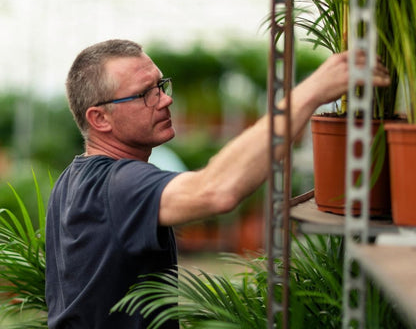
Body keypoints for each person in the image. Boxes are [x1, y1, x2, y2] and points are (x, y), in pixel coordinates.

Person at [45, 39, 390, 328]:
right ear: (100, 118)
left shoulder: (72, 180)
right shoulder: (119, 185)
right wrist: (311, 92)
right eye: (144, 94)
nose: (165, 99)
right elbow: (216, 190)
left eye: (161, 86)